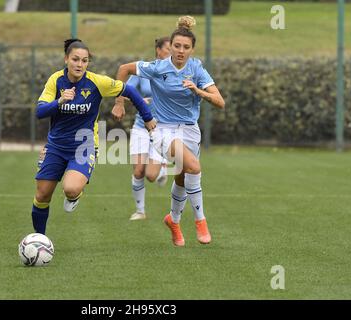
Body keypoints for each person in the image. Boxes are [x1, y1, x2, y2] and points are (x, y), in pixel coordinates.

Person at [112, 16, 225, 246]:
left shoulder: (197, 69)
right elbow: (124, 69)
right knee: (194, 166)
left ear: (192, 49)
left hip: (190, 131)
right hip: (162, 130)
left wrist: (198, 91)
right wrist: (119, 102)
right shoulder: (157, 67)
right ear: (169, 47)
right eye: (176, 46)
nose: (181, 51)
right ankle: (200, 221)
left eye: (186, 47)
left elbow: (219, 101)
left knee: (183, 177)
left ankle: (173, 220)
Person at [31, 38, 156, 235]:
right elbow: (40, 112)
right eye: (75, 59)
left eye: (84, 60)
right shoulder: (55, 80)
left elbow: (129, 90)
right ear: (66, 60)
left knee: (70, 189)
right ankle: (40, 240)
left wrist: (148, 119)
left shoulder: (97, 82)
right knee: (42, 195)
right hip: (56, 146)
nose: (79, 64)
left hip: (83, 146)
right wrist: (60, 101)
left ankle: (74, 196)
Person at [116, 37, 171, 221]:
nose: (173, 53)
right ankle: (140, 211)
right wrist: (137, 101)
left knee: (150, 176)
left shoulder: (177, 72)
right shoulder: (146, 70)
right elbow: (124, 90)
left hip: (163, 129)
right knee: (138, 170)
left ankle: (163, 168)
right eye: (169, 49)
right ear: (158, 50)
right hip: (141, 126)